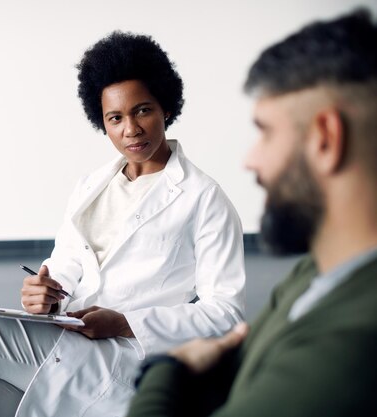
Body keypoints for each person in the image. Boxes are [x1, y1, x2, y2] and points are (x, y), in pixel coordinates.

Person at [0, 31, 245, 417]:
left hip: (126, 357)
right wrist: (45, 294)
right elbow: (67, 265)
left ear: (166, 109)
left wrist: (126, 323)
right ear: (101, 122)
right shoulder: (92, 187)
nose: (131, 129)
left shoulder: (204, 198)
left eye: (143, 110)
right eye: (115, 118)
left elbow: (226, 314)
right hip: (65, 339)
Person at [126, 9, 377, 417]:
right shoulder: (313, 273)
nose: (250, 160)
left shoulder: (350, 348)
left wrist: (168, 367)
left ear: (326, 140)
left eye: (266, 132)